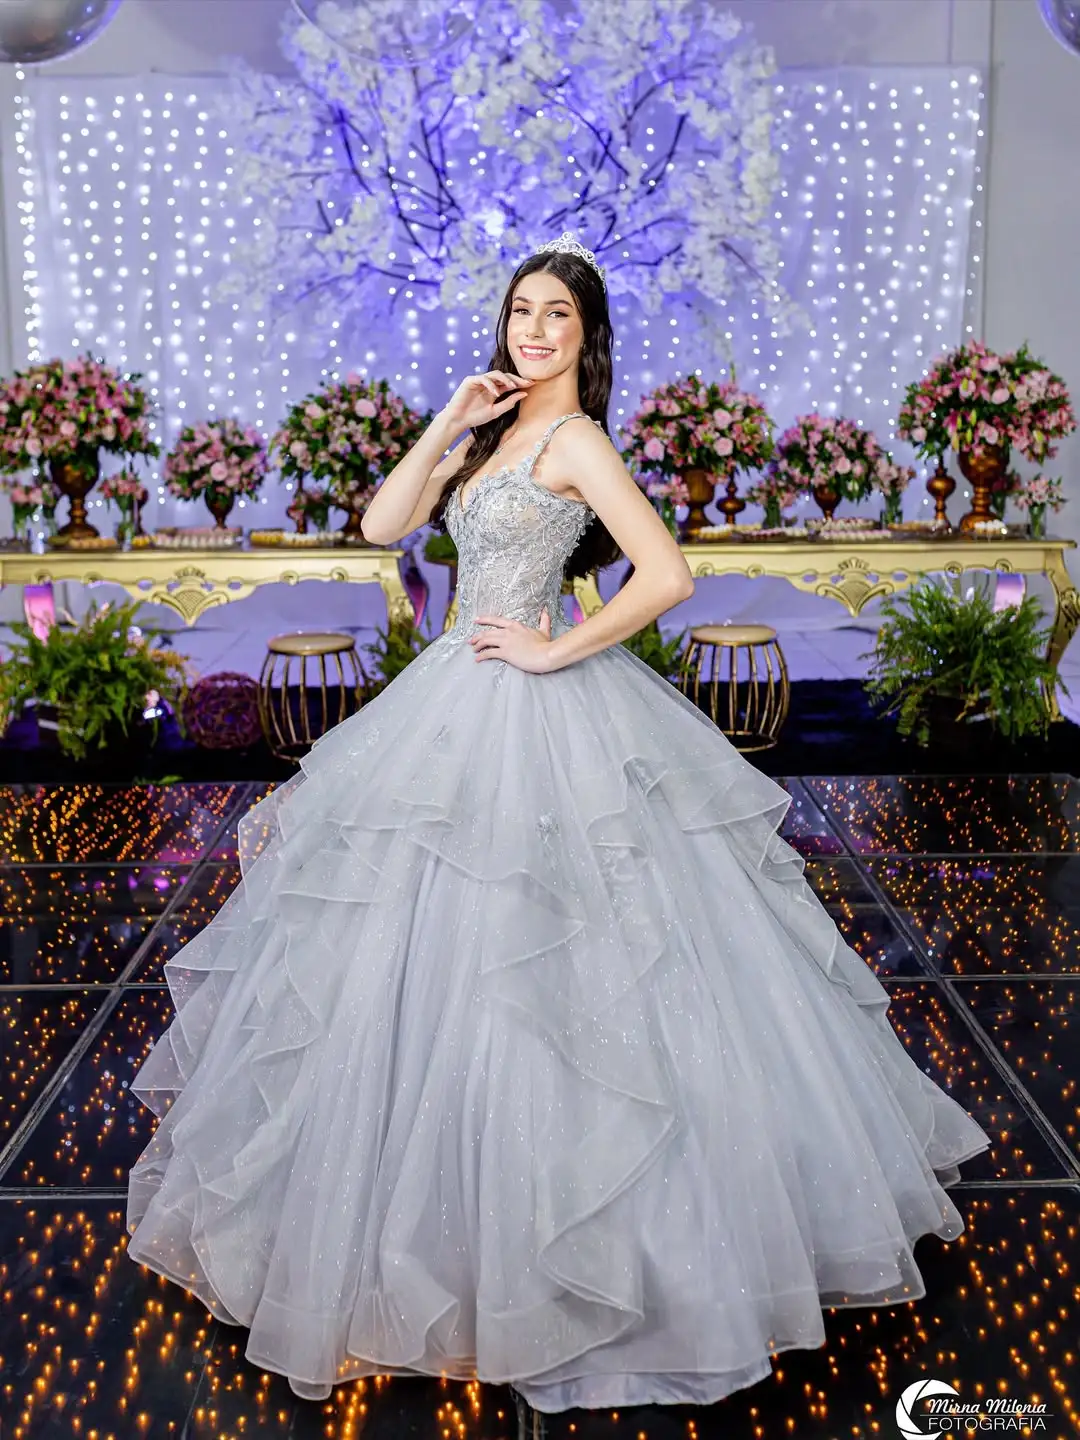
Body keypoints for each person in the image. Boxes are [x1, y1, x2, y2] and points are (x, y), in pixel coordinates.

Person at [125, 232, 989, 1412]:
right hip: (452, 695)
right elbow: (381, 528)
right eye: (521, 311)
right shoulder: (493, 433)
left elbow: (665, 574)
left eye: (556, 316)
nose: (533, 331)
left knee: (561, 952)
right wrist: (449, 421)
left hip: (531, 689)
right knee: (425, 952)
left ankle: (586, 1252)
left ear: (587, 336)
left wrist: (552, 648)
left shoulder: (577, 438)